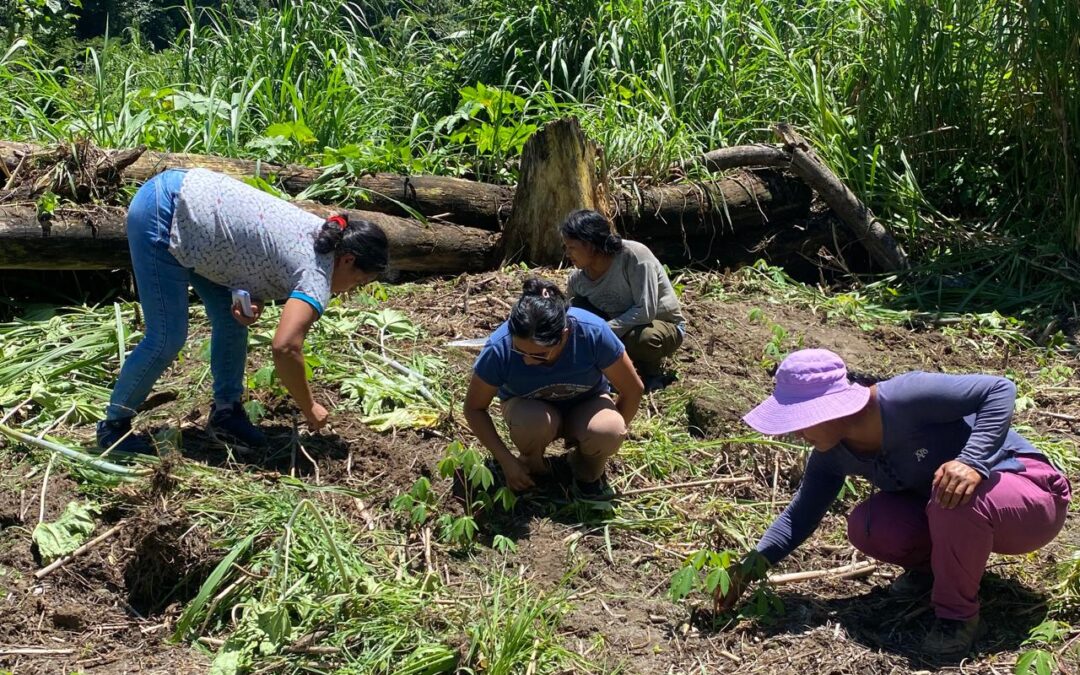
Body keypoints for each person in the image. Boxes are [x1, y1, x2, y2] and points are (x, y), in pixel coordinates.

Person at [717, 349, 1070, 661]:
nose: (795, 434)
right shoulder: (833, 454)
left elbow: (999, 388)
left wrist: (973, 461)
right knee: (870, 523)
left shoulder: (904, 397)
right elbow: (801, 514)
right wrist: (748, 568)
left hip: (1030, 496)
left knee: (954, 497)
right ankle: (938, 573)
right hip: (952, 510)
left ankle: (957, 619)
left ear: (830, 407)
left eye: (800, 421)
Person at [97, 168, 389, 453]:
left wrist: (252, 300)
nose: (353, 289)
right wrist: (308, 406)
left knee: (230, 318)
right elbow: (285, 347)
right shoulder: (317, 274)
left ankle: (227, 412)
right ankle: (114, 427)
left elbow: (255, 253)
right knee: (166, 337)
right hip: (168, 211)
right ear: (348, 260)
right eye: (360, 281)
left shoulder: (323, 238)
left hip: (195, 214)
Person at [462, 279, 644, 497]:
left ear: (564, 334)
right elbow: (474, 408)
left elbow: (633, 389)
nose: (527, 361)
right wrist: (506, 461)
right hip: (531, 410)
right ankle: (534, 467)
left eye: (538, 354)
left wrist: (607, 442)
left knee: (609, 430)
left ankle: (585, 469)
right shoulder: (499, 347)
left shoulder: (592, 332)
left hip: (587, 403)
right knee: (532, 423)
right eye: (521, 352)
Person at [560, 209, 686, 392]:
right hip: (619, 327)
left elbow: (645, 311)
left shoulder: (634, 256)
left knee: (643, 339)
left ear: (590, 244)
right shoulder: (578, 279)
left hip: (659, 324)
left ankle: (650, 372)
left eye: (571, 247)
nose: (567, 254)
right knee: (575, 312)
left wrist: (602, 333)